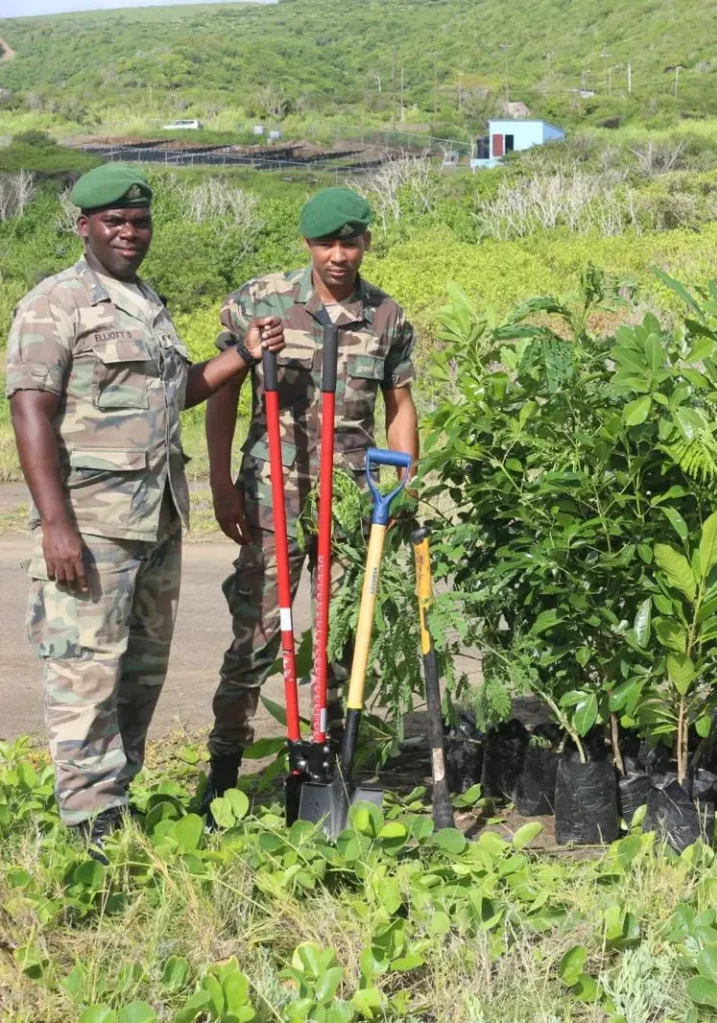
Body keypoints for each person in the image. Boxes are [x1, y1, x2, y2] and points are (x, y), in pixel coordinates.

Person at [5, 164, 283, 845]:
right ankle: (84, 823)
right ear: (85, 227)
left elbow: (176, 390)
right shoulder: (57, 303)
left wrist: (245, 354)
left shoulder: (146, 303)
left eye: (140, 222)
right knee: (85, 672)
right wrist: (57, 525)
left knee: (141, 674)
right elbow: (31, 410)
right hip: (93, 526)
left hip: (156, 519)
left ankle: (116, 804)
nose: (130, 232)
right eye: (115, 222)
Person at [201, 187, 419, 802]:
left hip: (351, 500)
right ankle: (223, 773)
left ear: (366, 243)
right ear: (307, 245)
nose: (338, 255)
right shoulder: (262, 301)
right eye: (326, 243)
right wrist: (222, 484)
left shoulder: (386, 316)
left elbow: (400, 408)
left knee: (342, 633)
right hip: (274, 497)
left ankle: (331, 758)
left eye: (350, 242)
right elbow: (223, 393)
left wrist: (401, 487)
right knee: (258, 634)